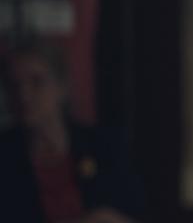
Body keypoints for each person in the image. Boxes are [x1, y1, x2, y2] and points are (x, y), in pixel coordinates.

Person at [0, 41, 143, 223]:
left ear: (62, 86)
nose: (23, 95)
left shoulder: (103, 147)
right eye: (14, 85)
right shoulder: (5, 156)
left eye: (37, 82)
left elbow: (133, 212)